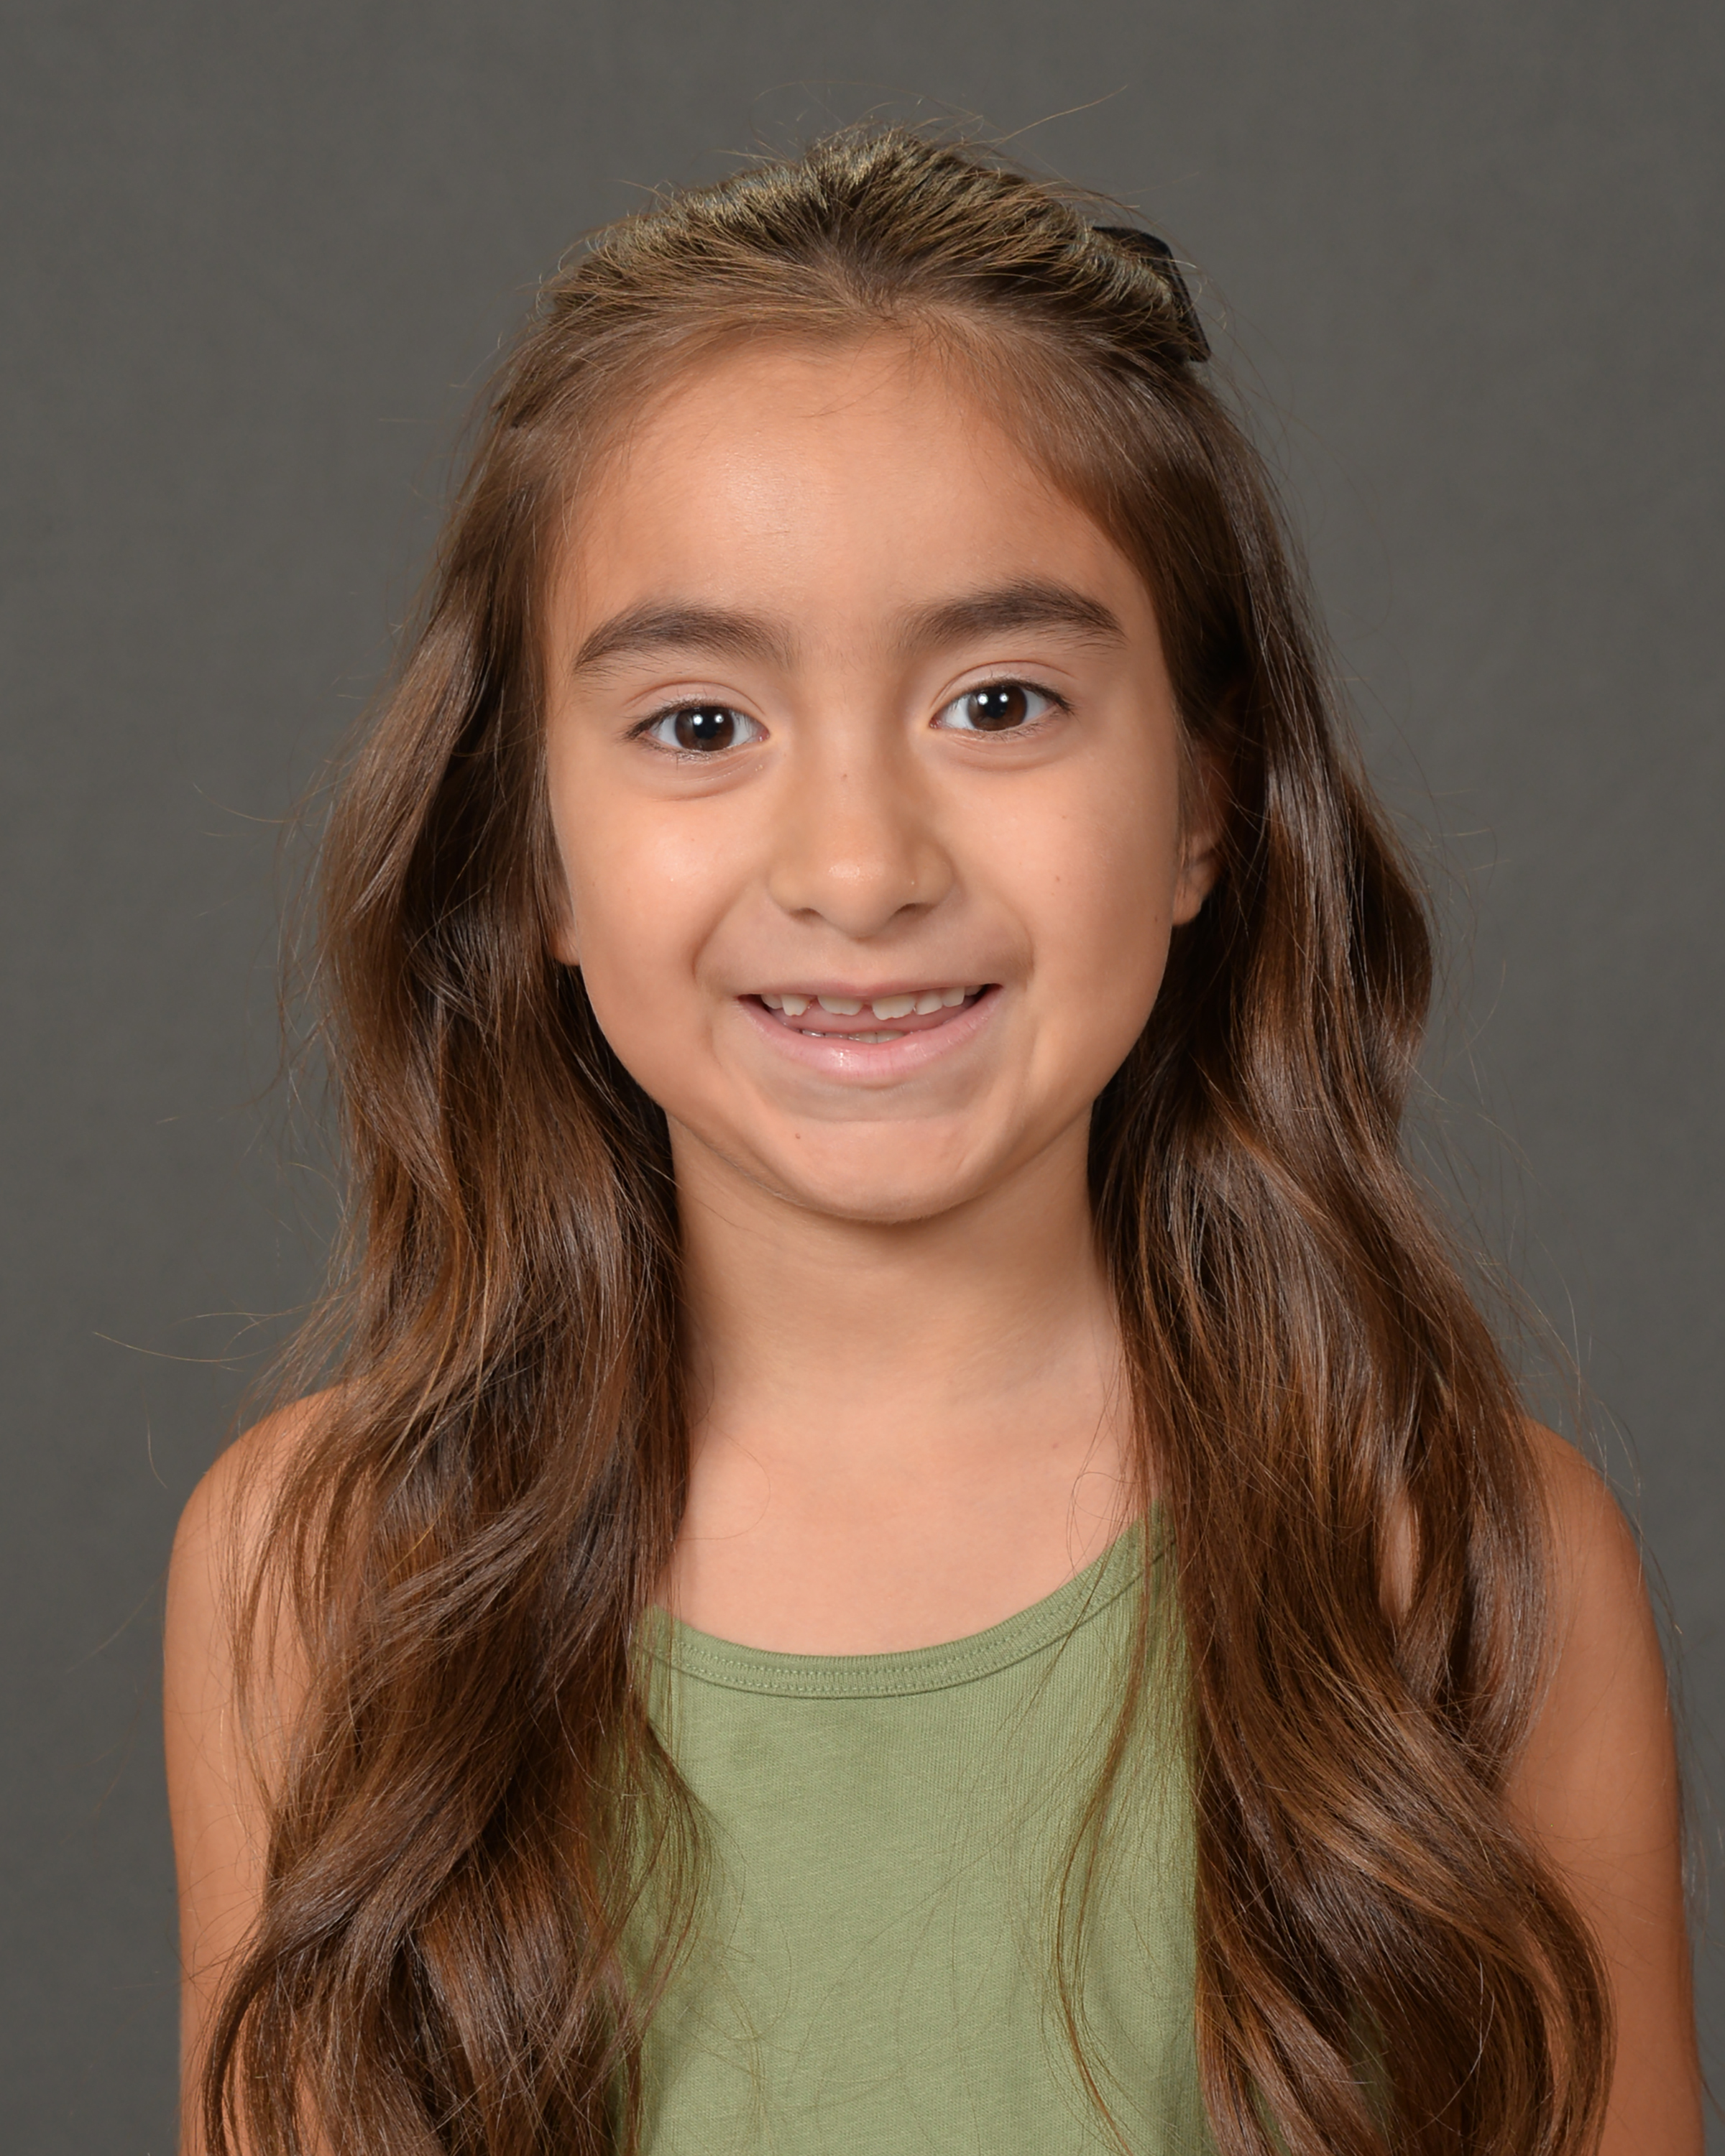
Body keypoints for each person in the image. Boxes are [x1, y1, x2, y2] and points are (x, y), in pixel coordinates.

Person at [163, 128, 1701, 2156]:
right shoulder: (324, 1575)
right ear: (527, 847)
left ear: (1206, 806)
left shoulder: (1468, 1564)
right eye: (700, 725)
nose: (861, 866)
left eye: (999, 703)